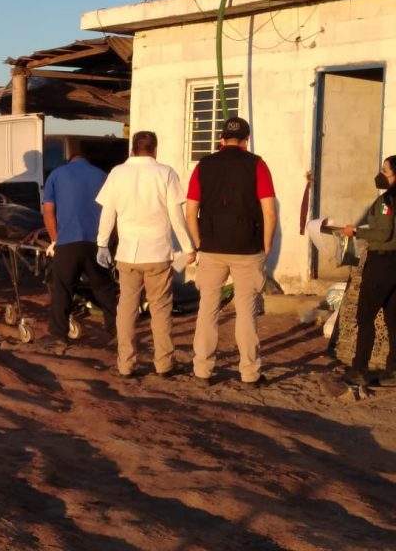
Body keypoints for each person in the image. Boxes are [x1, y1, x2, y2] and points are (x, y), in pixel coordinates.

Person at [185, 116, 277, 387]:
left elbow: (191, 210)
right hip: (248, 248)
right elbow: (269, 211)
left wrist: (199, 240)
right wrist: (267, 244)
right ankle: (249, 373)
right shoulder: (257, 164)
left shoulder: (203, 165)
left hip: (212, 247)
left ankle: (202, 370)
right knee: (247, 312)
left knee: (207, 310)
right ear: (246, 141)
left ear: (221, 140)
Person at [96, 131, 195, 379]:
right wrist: (187, 247)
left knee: (127, 308)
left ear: (132, 149)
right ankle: (163, 364)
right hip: (158, 253)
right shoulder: (166, 173)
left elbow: (108, 212)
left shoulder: (118, 173)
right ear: (155, 149)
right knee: (161, 309)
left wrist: (102, 244)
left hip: (128, 253)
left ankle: (125, 364)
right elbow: (176, 217)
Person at [42, 154, 117, 347]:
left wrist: (54, 240)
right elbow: (112, 209)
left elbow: (48, 210)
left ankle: (59, 335)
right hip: (97, 242)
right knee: (104, 288)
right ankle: (116, 332)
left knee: (63, 289)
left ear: (69, 161)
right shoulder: (102, 175)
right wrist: (109, 241)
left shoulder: (57, 174)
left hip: (67, 241)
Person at [341, 155, 396, 387]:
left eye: (385, 171)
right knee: (394, 319)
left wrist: (357, 232)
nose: (381, 175)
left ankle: (360, 369)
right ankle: (393, 370)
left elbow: (383, 234)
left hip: (381, 264)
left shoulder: (386, 201)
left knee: (365, 317)